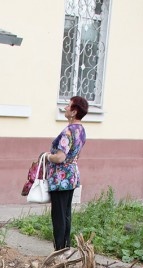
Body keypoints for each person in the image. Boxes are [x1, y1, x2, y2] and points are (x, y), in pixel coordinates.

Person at [45, 96, 88, 251]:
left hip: (60, 178)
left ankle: (59, 251)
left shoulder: (68, 131)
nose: (65, 108)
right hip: (72, 176)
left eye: (68, 106)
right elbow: (77, 155)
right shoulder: (81, 130)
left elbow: (60, 157)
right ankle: (66, 247)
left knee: (58, 216)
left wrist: (46, 156)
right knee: (66, 214)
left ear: (74, 111)